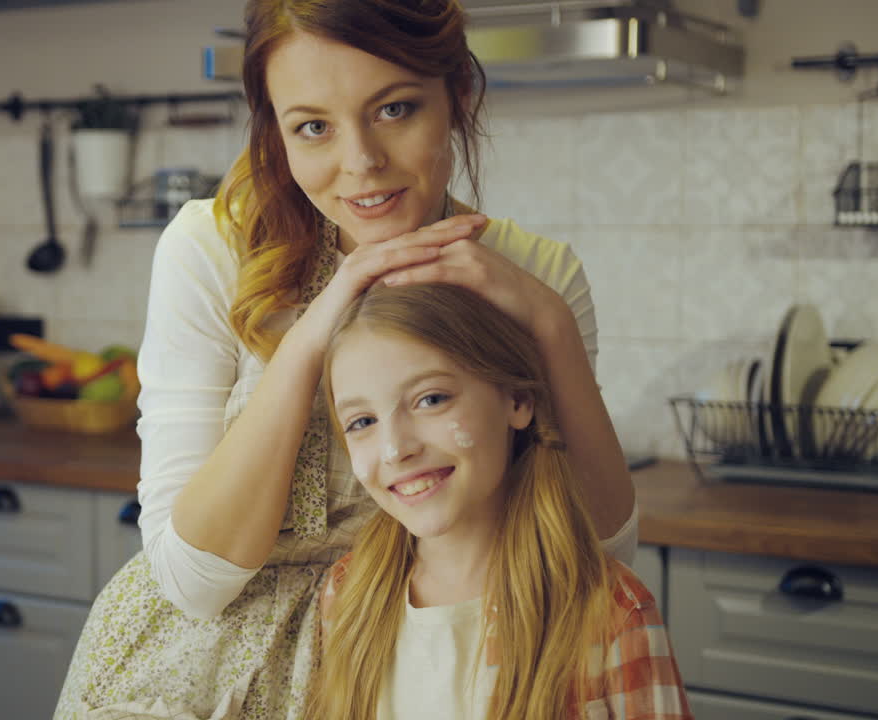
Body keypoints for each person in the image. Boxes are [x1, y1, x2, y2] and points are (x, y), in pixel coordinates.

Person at [54, 1, 638, 717]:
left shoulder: (532, 273)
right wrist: (322, 322)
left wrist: (548, 322)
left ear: (458, 96)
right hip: (192, 677)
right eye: (313, 127)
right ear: (277, 133)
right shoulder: (208, 251)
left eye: (394, 109)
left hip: (417, 655)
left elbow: (604, 549)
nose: (361, 162)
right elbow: (193, 583)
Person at [312, 283, 690, 720]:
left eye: (431, 399)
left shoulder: (612, 613)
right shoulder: (348, 591)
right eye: (362, 421)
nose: (395, 450)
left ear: (517, 400)